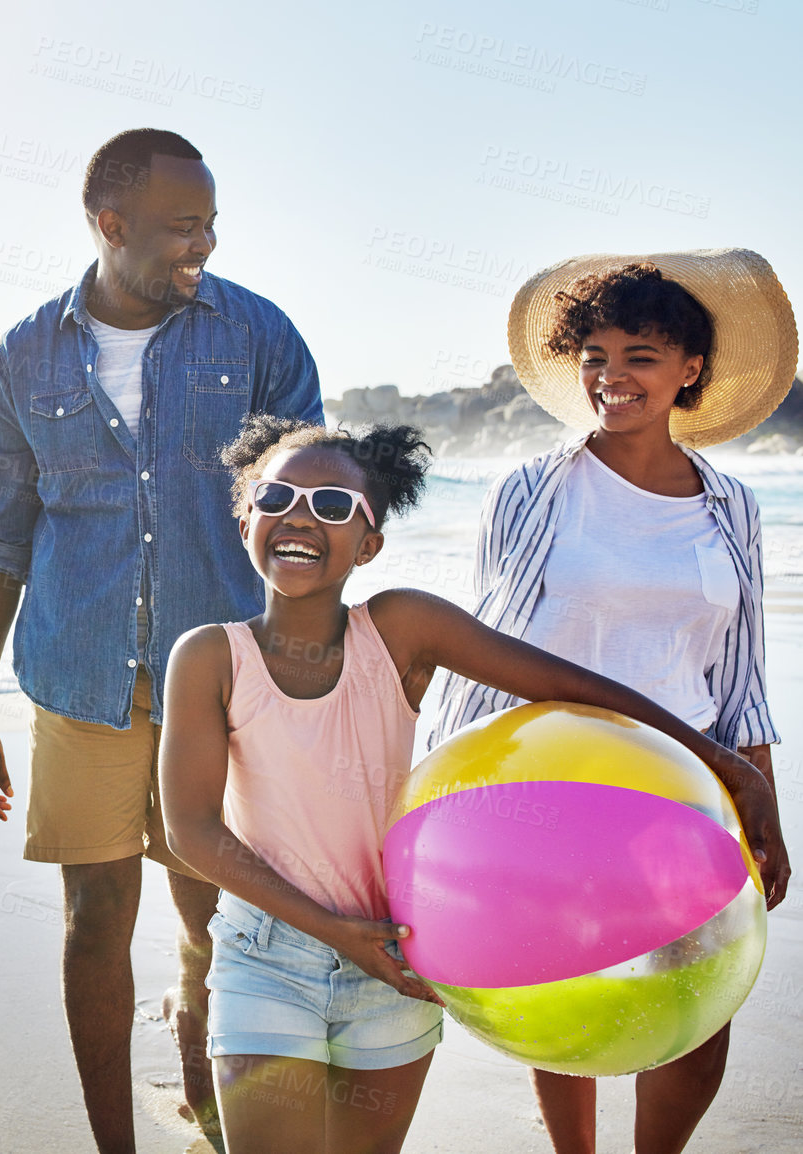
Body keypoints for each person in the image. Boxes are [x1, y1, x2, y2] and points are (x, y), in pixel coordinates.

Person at [157, 415, 789, 1154]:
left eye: (332, 506)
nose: (299, 517)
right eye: (275, 498)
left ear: (370, 545)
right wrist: (336, 936)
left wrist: (730, 767)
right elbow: (190, 830)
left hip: (395, 966)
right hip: (266, 956)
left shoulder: (401, 628)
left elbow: (564, 684)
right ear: (244, 521)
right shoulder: (209, 657)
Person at [0, 127, 323, 1150]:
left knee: (215, 920)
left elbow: (307, 518)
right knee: (90, 920)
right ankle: (112, 1139)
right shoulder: (23, 355)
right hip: (78, 678)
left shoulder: (256, 335)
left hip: (220, 685)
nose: (201, 243)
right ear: (110, 226)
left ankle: (208, 1096)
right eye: (180, 225)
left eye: (208, 221)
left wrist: (310, 671)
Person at [429, 250, 798, 1154]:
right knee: (571, 996)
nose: (612, 377)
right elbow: (490, 648)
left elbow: (741, 675)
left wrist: (766, 804)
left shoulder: (733, 507)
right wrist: (442, 807)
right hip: (552, 786)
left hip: (691, 785)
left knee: (695, 1009)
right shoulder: (530, 492)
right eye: (595, 355)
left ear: (690, 370)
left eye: (640, 355)